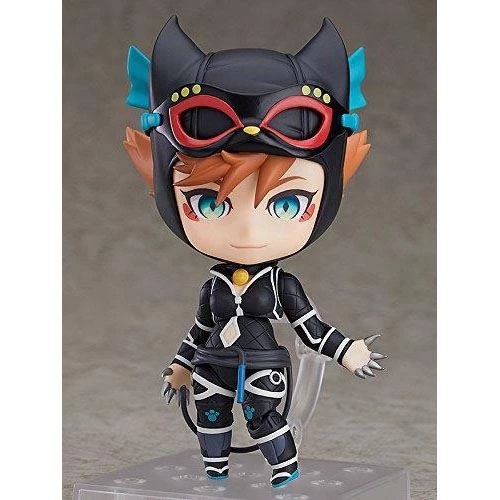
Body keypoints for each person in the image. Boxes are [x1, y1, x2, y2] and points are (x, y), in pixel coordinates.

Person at [124, 15, 386, 488]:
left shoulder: (281, 285)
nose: (247, 230)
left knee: (265, 419)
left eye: (287, 204)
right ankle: (215, 474)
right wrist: (181, 365)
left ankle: (284, 472)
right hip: (214, 364)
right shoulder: (214, 285)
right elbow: (200, 328)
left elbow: (310, 328)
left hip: (263, 364)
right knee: (211, 418)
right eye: (209, 204)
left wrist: (346, 350)